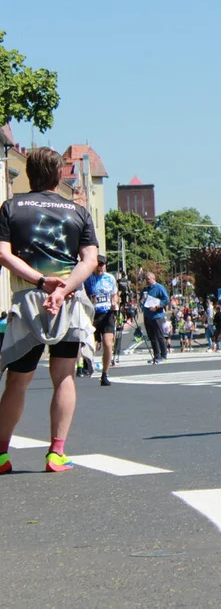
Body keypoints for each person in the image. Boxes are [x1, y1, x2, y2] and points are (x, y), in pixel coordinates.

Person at [0, 147, 98, 474]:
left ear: (29, 173)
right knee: (64, 376)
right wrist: (64, 289)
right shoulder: (78, 212)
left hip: (28, 301)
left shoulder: (11, 208)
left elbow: (3, 254)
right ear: (59, 175)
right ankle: (56, 454)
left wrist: (41, 281)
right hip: (68, 304)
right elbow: (90, 260)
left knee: (17, 380)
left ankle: (1, 455)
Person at [82, 254, 119, 385]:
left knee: (108, 344)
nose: (101, 267)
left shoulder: (110, 278)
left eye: (103, 264)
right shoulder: (87, 278)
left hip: (107, 313)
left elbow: (114, 294)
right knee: (92, 344)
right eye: (98, 264)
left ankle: (105, 374)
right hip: (92, 314)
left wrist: (115, 302)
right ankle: (87, 364)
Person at [140, 272, 170, 364]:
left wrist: (157, 306)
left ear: (153, 278)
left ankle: (164, 355)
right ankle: (156, 356)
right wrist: (142, 299)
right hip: (147, 315)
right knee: (152, 337)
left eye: (148, 279)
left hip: (157, 316)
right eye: (145, 279)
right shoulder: (145, 289)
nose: (147, 281)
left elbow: (166, 300)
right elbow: (141, 300)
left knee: (159, 336)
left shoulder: (159, 288)